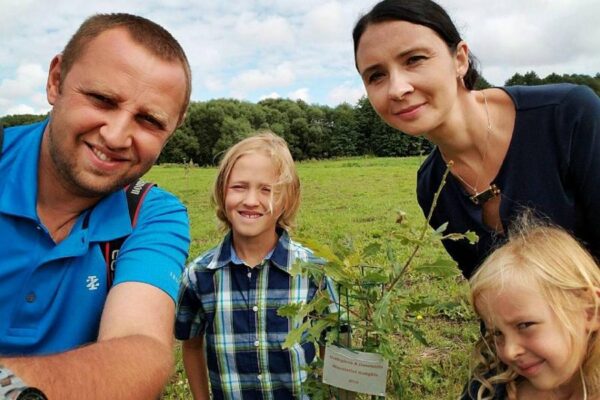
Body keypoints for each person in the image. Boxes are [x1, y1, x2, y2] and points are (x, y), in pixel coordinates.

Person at [0, 13, 192, 399]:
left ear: (174, 128)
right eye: (102, 100)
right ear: (56, 80)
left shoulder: (151, 214)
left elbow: (141, 351)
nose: (117, 136)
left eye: (149, 120)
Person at [352, 0, 600, 279]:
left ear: (459, 59)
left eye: (414, 60)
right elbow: (486, 290)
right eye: (376, 76)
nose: (397, 89)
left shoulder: (569, 116)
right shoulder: (432, 186)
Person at [175, 132, 338, 399]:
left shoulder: (314, 272)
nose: (251, 200)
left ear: (287, 199)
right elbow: (191, 346)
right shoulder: (199, 276)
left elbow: (331, 347)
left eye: (267, 190)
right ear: (221, 191)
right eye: (239, 187)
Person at [465, 217, 600, 399]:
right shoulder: (488, 388)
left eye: (524, 325)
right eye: (497, 333)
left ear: (590, 310)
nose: (509, 352)